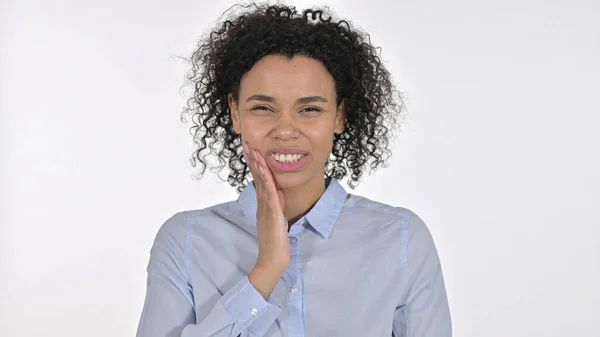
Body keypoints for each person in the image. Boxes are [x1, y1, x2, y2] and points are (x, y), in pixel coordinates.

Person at [136, 3, 451, 337]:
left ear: (340, 116)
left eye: (310, 108)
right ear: (235, 113)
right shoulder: (185, 240)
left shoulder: (401, 238)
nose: (285, 130)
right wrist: (267, 269)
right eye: (262, 107)